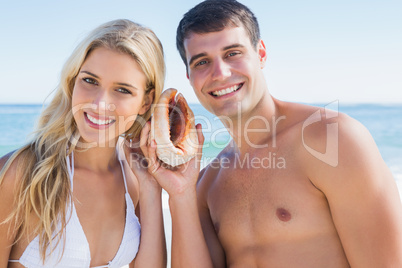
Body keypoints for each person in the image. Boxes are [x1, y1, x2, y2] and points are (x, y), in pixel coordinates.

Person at [129, 0, 402, 267]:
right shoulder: (206, 182)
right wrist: (181, 195)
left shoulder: (332, 140)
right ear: (189, 77)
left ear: (261, 54)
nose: (220, 73)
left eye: (233, 53)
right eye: (202, 62)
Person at [0, 19, 167, 267]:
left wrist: (151, 186)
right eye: (90, 81)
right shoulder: (23, 173)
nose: (100, 104)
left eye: (122, 90)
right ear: (73, 81)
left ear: (145, 101)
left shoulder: (135, 176)